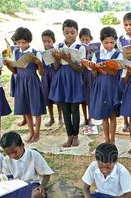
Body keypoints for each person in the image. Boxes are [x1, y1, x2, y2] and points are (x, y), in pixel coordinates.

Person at [66, 143, 131, 198]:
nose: (104, 170)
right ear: (97, 161)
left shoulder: (122, 172)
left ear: (115, 161)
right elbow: (85, 188)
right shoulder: (93, 166)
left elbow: (127, 197)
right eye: (101, 167)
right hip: (98, 197)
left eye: (108, 167)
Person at [4, 27, 45, 143]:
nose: (21, 45)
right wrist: (8, 64)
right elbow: (16, 71)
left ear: (29, 41)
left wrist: (39, 64)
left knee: (35, 108)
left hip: (33, 82)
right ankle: (31, 131)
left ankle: (37, 133)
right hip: (20, 82)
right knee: (25, 108)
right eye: (19, 42)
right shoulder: (16, 52)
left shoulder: (35, 53)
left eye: (24, 42)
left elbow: (42, 73)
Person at [49, 19, 86, 148]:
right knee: (65, 109)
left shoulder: (80, 47)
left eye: (72, 32)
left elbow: (81, 69)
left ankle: (76, 136)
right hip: (62, 79)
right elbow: (56, 67)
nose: (69, 35)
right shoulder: (59, 46)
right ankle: (69, 136)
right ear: (63, 33)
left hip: (74, 78)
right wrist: (57, 60)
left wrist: (69, 60)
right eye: (67, 32)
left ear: (77, 33)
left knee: (75, 109)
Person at [89, 26, 123, 144]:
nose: (109, 45)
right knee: (104, 115)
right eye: (106, 42)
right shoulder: (97, 54)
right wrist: (94, 68)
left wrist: (105, 67)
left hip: (112, 87)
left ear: (115, 41)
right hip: (101, 86)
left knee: (112, 114)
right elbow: (94, 74)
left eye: (112, 42)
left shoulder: (118, 55)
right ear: (101, 41)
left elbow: (115, 72)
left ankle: (112, 139)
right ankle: (106, 139)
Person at [1, 131, 54, 198]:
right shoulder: (6, 160)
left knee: (36, 195)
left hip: (32, 186)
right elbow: (7, 178)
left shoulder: (33, 155)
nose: (12, 155)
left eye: (15, 152)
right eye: (9, 154)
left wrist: (42, 186)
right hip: (16, 188)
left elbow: (46, 174)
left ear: (22, 145)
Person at [118, 12, 131, 133]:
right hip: (125, 70)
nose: (129, 27)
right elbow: (120, 54)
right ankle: (125, 122)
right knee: (124, 96)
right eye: (126, 25)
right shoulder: (120, 39)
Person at [41, 29, 62, 127]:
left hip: (55, 76)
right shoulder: (41, 53)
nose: (46, 43)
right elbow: (40, 68)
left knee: (58, 98)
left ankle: (60, 117)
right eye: (44, 41)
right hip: (46, 77)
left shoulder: (57, 52)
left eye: (49, 41)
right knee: (47, 98)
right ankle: (52, 118)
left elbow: (58, 66)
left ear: (53, 41)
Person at [80, 28, 94, 126]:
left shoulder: (93, 48)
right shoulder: (79, 48)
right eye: (83, 40)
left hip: (90, 74)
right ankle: (85, 118)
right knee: (83, 98)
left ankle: (90, 118)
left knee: (89, 97)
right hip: (81, 74)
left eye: (87, 39)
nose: (85, 42)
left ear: (90, 39)